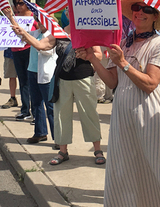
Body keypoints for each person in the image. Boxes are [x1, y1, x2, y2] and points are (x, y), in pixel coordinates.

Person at [77, 0, 160, 206]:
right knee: (125, 168)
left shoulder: (159, 44)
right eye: (137, 8)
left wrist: (124, 63)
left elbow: (151, 83)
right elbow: (112, 82)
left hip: (149, 112)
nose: (140, 12)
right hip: (123, 112)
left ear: (154, 17)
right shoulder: (124, 42)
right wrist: (93, 59)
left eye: (147, 10)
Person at [9, 8, 105, 165]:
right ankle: (63, 151)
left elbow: (99, 55)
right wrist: (24, 33)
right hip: (63, 80)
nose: (73, 16)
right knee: (61, 115)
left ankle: (97, 149)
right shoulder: (59, 32)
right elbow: (41, 45)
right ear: (67, 16)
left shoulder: (88, 31)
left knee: (89, 114)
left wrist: (88, 56)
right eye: (70, 13)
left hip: (84, 79)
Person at [23, 17, 57, 144]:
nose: (40, 23)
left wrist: (28, 38)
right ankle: (40, 132)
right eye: (39, 20)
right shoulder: (36, 33)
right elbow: (22, 33)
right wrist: (10, 18)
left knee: (51, 106)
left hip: (46, 74)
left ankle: (58, 137)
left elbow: (44, 49)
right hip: (32, 70)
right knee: (36, 104)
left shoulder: (52, 36)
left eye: (44, 21)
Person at [11, 0, 34, 121]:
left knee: (32, 81)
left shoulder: (33, 17)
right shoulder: (15, 17)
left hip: (29, 50)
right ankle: (25, 109)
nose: (18, 6)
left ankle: (35, 111)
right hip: (16, 50)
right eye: (16, 3)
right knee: (23, 81)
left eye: (21, 3)